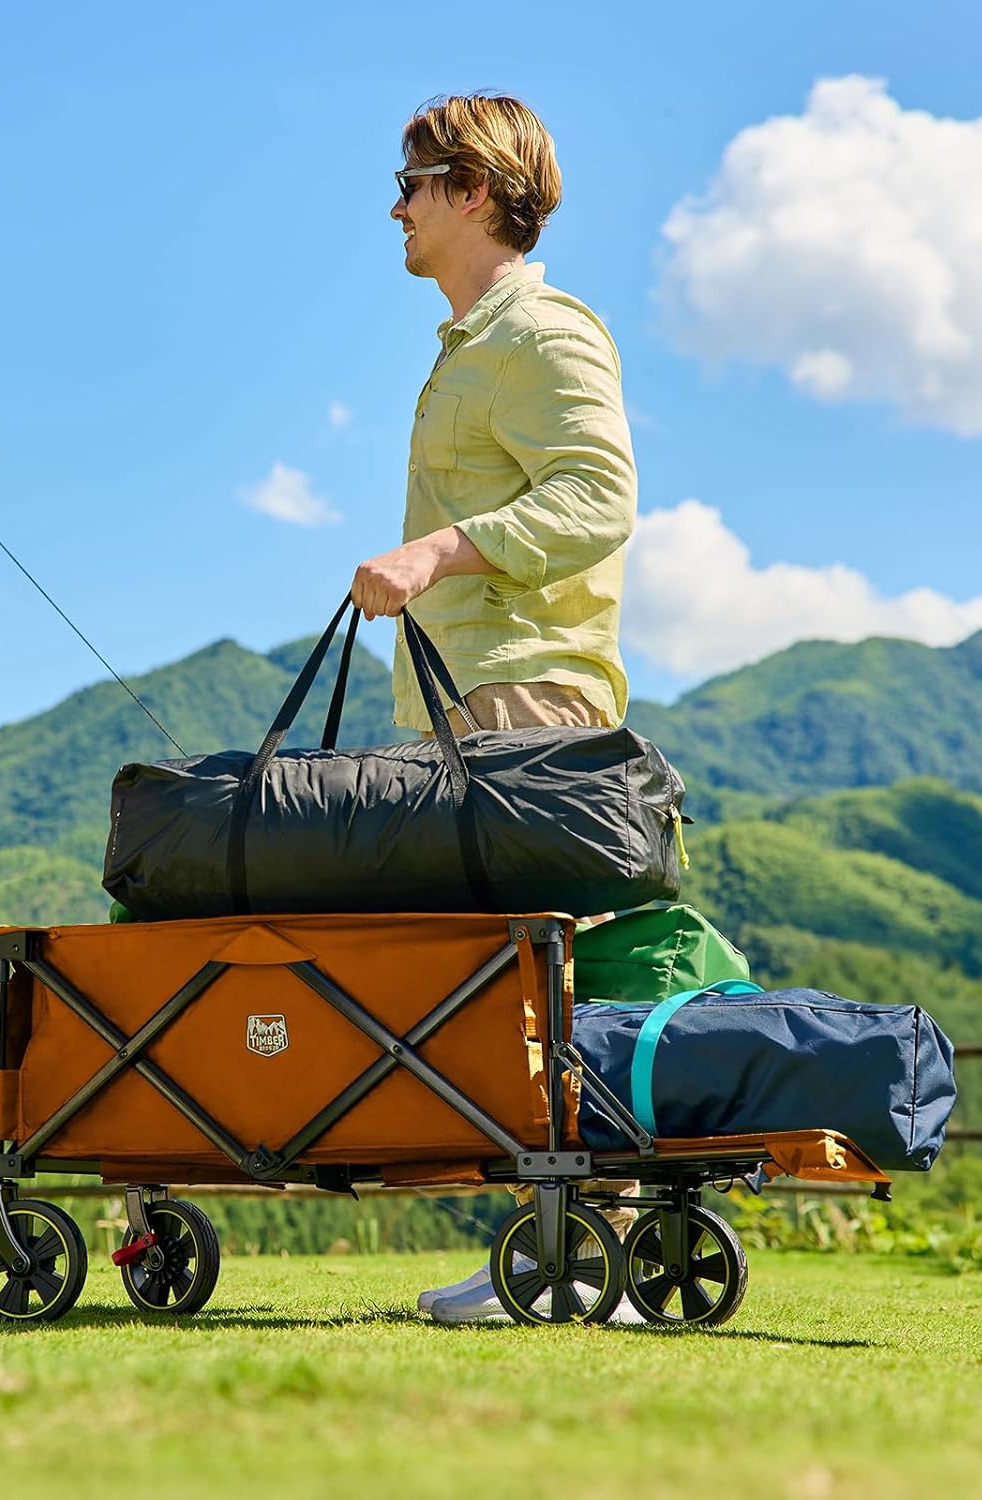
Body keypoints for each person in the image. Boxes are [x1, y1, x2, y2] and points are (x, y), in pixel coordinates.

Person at [349, 95, 641, 1325]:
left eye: (413, 181)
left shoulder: (543, 334)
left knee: (542, 981)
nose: (396, 205)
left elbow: (599, 496)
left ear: (473, 189)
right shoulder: (469, 347)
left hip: (525, 692)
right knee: (513, 987)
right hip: (474, 702)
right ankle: (555, 1244)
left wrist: (440, 550)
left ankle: (585, 1256)